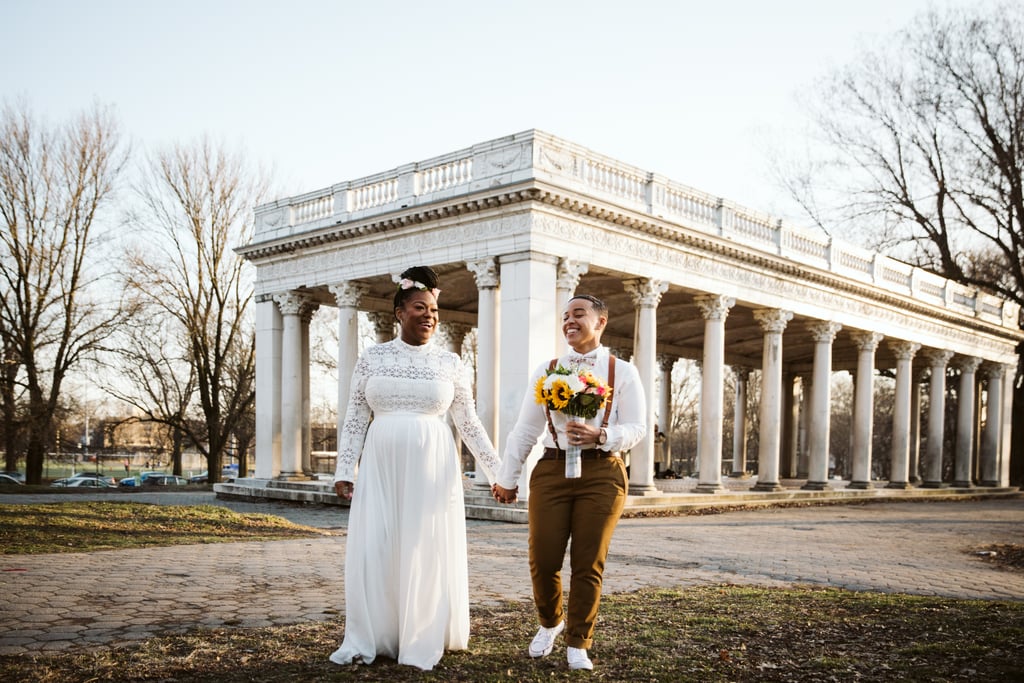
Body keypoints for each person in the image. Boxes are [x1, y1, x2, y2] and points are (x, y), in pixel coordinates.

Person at [330, 265, 502, 672]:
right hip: (381, 465)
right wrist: (344, 468)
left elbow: (469, 423)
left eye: (434, 311)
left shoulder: (450, 363)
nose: (429, 316)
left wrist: (498, 474)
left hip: (432, 468)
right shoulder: (371, 359)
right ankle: (376, 634)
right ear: (399, 313)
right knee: (378, 546)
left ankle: (421, 637)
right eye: (420, 308)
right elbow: (355, 416)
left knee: (424, 548)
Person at [492, 294, 647, 671]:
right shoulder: (547, 370)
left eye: (579, 314)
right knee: (543, 559)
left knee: (587, 563)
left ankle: (579, 641)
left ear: (601, 321)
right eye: (565, 316)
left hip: (603, 473)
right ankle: (551, 622)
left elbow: (638, 427)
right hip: (551, 469)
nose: (569, 321)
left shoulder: (622, 371)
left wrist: (602, 436)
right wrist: (507, 477)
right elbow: (526, 428)